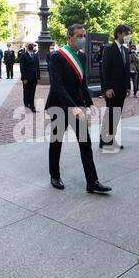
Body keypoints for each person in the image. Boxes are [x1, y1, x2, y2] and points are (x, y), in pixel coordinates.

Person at [45, 24, 112, 194]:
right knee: (56, 142)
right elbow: (57, 86)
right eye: (79, 35)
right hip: (60, 106)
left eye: (84, 35)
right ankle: (55, 175)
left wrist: (89, 103)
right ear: (70, 38)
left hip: (78, 106)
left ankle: (92, 181)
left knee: (85, 143)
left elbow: (82, 83)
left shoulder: (81, 57)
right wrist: (72, 107)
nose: (83, 38)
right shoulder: (57, 56)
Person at [100, 24, 131, 149]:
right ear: (119, 34)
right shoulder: (109, 49)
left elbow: (126, 70)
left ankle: (111, 138)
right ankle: (104, 140)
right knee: (110, 114)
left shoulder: (125, 50)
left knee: (117, 114)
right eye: (126, 34)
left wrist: (128, 87)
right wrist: (107, 88)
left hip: (122, 89)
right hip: (111, 89)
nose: (128, 36)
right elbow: (105, 70)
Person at [19, 43, 40, 113]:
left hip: (34, 78)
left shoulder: (35, 55)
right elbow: (22, 68)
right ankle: (26, 106)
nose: (31, 47)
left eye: (32, 46)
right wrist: (24, 78)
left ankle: (32, 106)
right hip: (27, 79)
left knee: (32, 93)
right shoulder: (23, 55)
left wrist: (38, 77)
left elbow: (37, 67)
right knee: (26, 92)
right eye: (30, 46)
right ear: (27, 47)